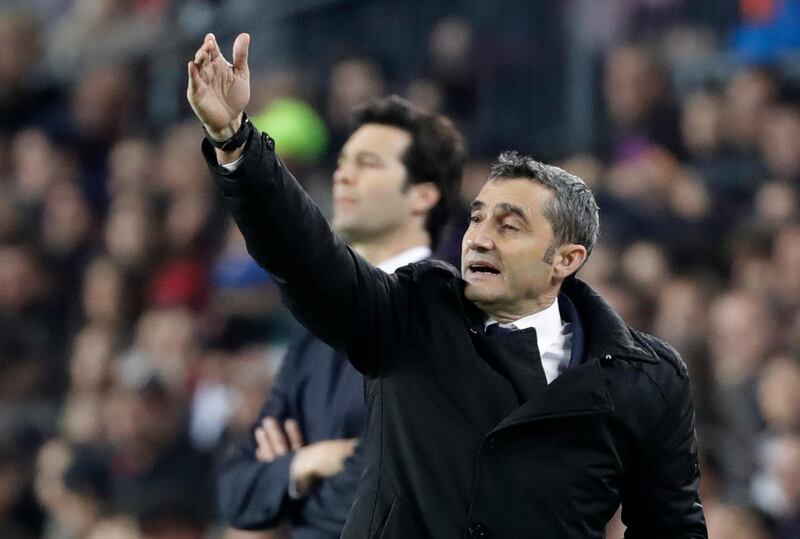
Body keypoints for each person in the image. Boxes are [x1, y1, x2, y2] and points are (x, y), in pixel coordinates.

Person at [188, 33, 707, 538]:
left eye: (509, 226)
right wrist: (236, 141)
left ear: (566, 259)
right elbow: (308, 259)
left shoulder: (649, 380)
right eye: (476, 219)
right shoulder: (414, 313)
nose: (478, 239)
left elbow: (671, 525)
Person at [214, 79, 466, 537]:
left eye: (367, 163)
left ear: (422, 195)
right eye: (343, 162)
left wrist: (290, 486)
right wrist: (307, 463)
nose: (342, 176)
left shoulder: (443, 317)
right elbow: (236, 492)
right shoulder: (311, 336)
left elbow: (387, 496)